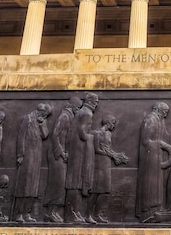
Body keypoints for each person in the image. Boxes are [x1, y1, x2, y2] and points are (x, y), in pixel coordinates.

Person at [43, 96, 82, 223]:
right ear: (72, 106)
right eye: (78, 107)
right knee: (57, 183)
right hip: (57, 155)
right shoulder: (64, 116)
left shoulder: (70, 116)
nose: (78, 110)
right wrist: (61, 153)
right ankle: (50, 213)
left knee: (61, 184)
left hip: (62, 155)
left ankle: (53, 212)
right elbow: (55, 134)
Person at [14, 103, 52, 223]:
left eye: (46, 115)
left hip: (36, 156)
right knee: (24, 186)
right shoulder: (28, 119)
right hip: (27, 156)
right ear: (41, 110)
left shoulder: (42, 121)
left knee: (33, 186)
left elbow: (45, 135)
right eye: (45, 114)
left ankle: (27, 213)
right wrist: (20, 155)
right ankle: (18, 213)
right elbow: (21, 137)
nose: (45, 116)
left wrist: (42, 124)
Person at [136, 101, 171, 222]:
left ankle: (156, 208)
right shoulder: (150, 120)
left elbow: (164, 135)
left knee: (157, 183)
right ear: (158, 110)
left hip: (157, 156)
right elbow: (145, 141)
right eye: (164, 112)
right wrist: (161, 144)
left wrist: (170, 139)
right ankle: (147, 212)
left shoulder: (159, 120)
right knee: (150, 183)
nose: (165, 115)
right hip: (149, 157)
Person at [87, 115, 129, 223]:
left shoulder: (109, 134)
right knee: (96, 191)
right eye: (113, 123)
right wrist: (112, 155)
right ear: (108, 123)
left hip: (107, 164)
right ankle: (87, 215)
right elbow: (96, 149)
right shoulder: (97, 133)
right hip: (99, 163)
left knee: (105, 191)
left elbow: (109, 149)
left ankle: (96, 215)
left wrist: (117, 155)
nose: (114, 126)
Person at [65, 92, 99, 223]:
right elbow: (83, 134)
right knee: (75, 183)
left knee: (77, 183)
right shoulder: (87, 113)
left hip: (77, 150)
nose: (97, 104)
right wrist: (94, 136)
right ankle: (70, 214)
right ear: (89, 101)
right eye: (95, 102)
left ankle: (75, 212)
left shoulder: (82, 112)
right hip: (79, 152)